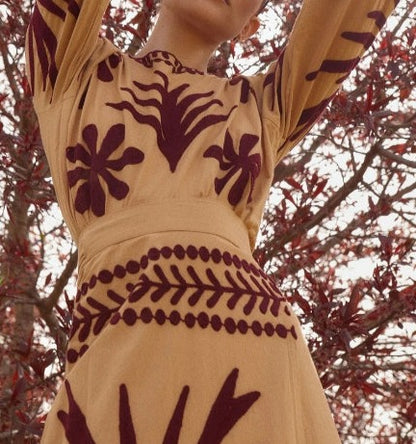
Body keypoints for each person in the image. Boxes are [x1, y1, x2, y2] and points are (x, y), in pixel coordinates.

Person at [26, 0, 398, 442]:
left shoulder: (267, 109)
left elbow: (348, 12)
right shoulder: (68, 70)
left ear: (250, 21)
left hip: (260, 385)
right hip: (113, 375)